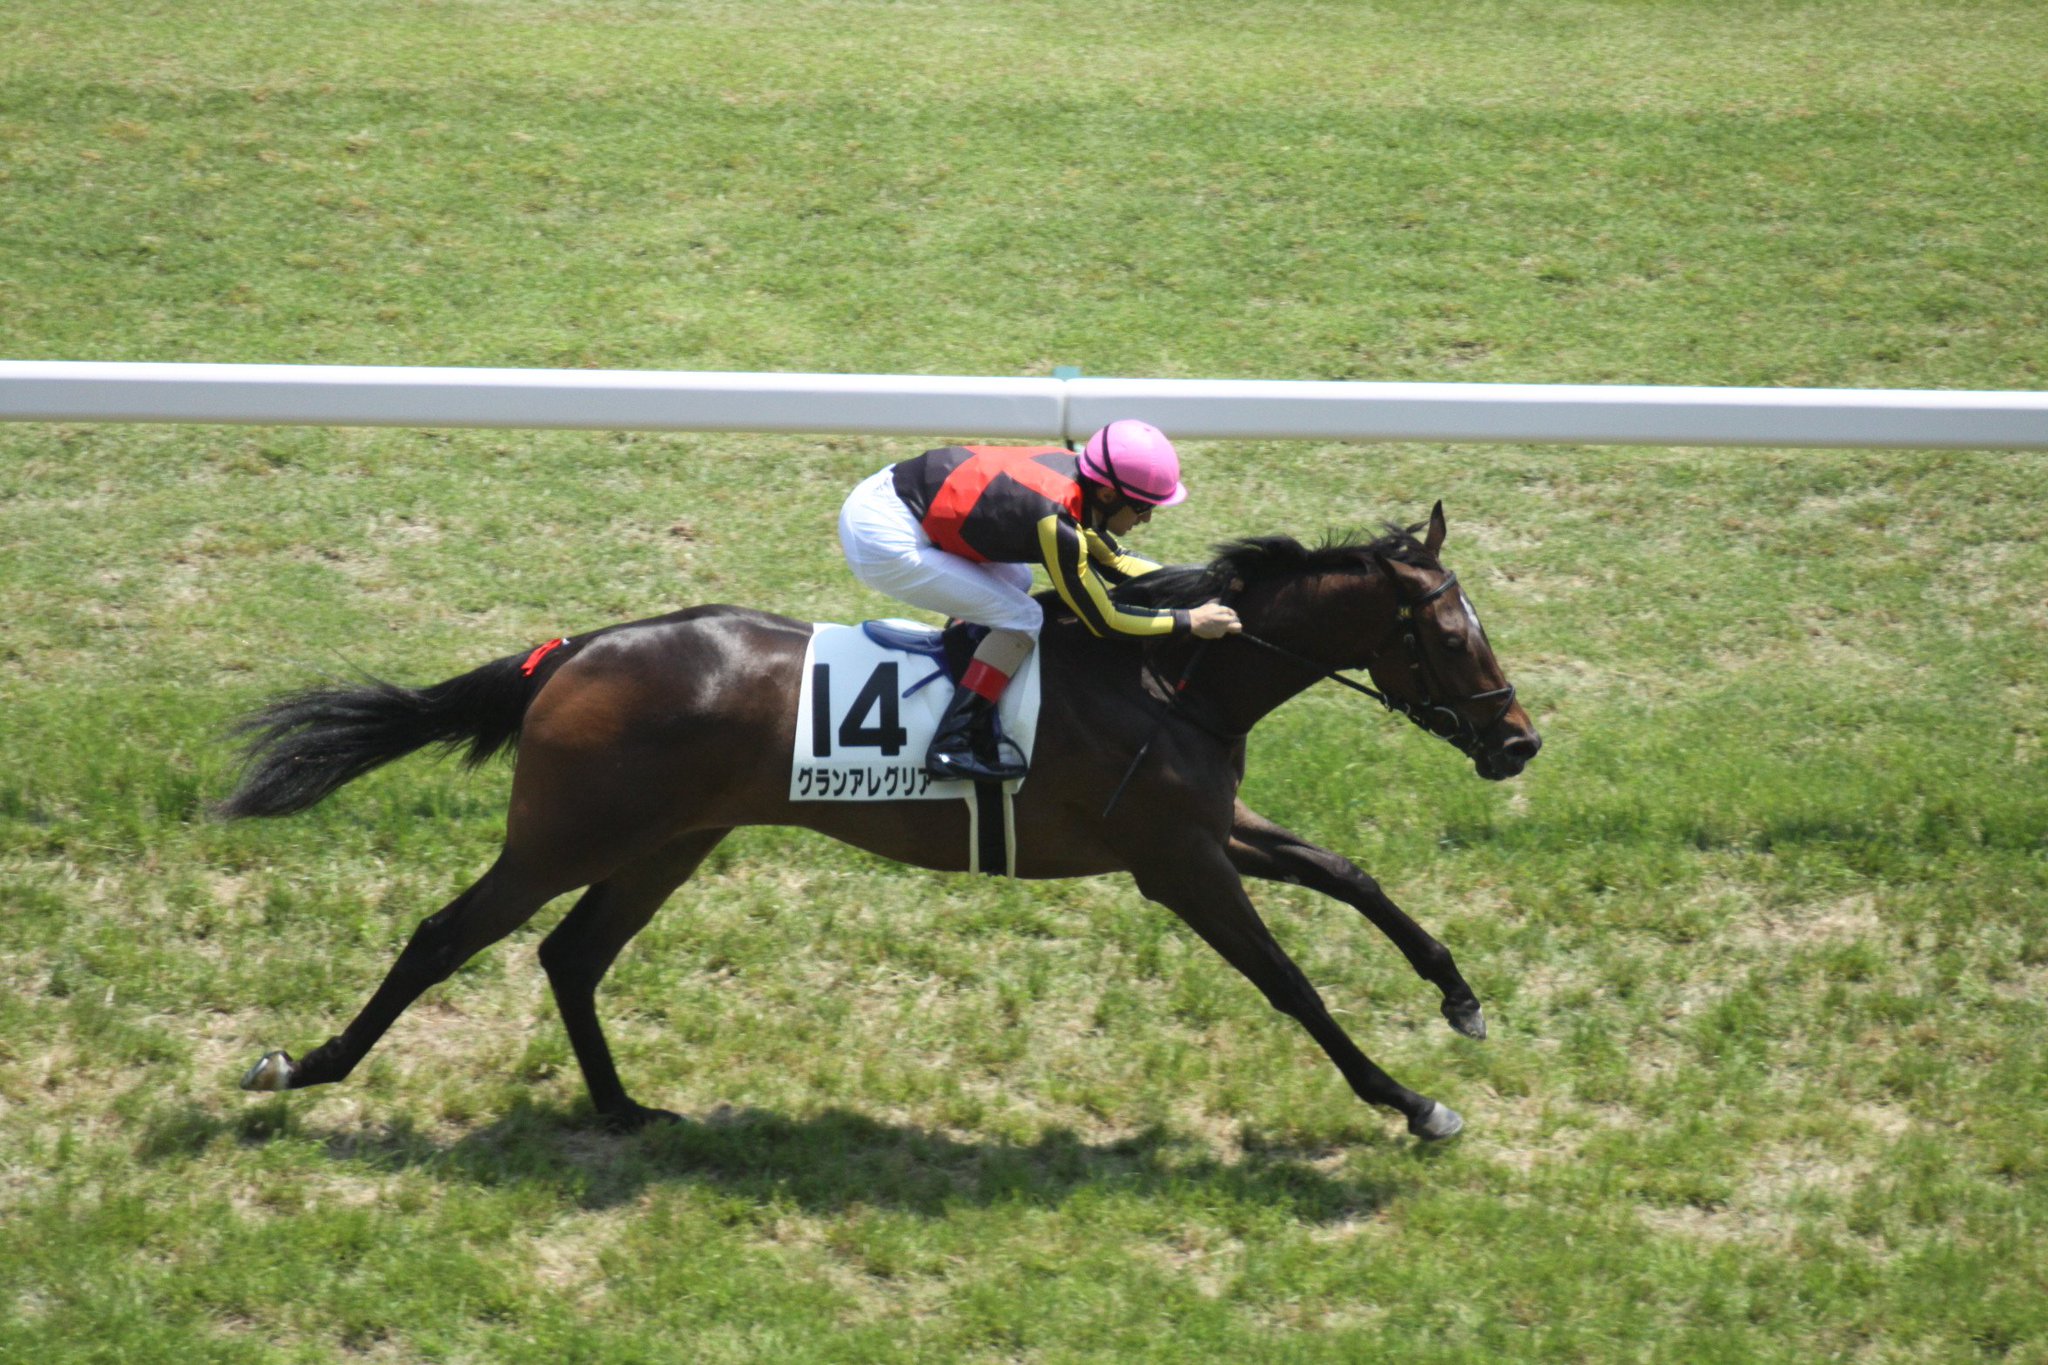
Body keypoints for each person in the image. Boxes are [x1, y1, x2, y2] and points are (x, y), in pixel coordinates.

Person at [838, 419, 1241, 783]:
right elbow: (1104, 619)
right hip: (882, 533)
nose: (1147, 518)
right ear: (1107, 493)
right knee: (1022, 617)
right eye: (1143, 507)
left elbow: (1115, 560)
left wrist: (1206, 583)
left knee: (1018, 580)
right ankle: (953, 743)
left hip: (894, 496)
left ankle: (969, 656)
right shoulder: (1056, 520)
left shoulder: (1079, 478)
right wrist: (1188, 621)